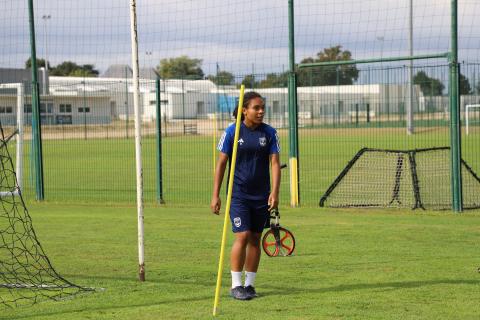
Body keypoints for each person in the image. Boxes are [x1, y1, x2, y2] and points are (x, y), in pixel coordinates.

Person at [210, 91, 281, 300]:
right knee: (242, 235)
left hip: (262, 196)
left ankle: (250, 285)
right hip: (238, 195)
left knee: (255, 238)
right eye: (256, 108)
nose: (260, 112)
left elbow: (275, 164)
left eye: (262, 108)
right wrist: (215, 195)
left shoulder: (269, 133)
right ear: (244, 110)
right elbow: (221, 163)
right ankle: (236, 285)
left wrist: (275, 193)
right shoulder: (232, 132)